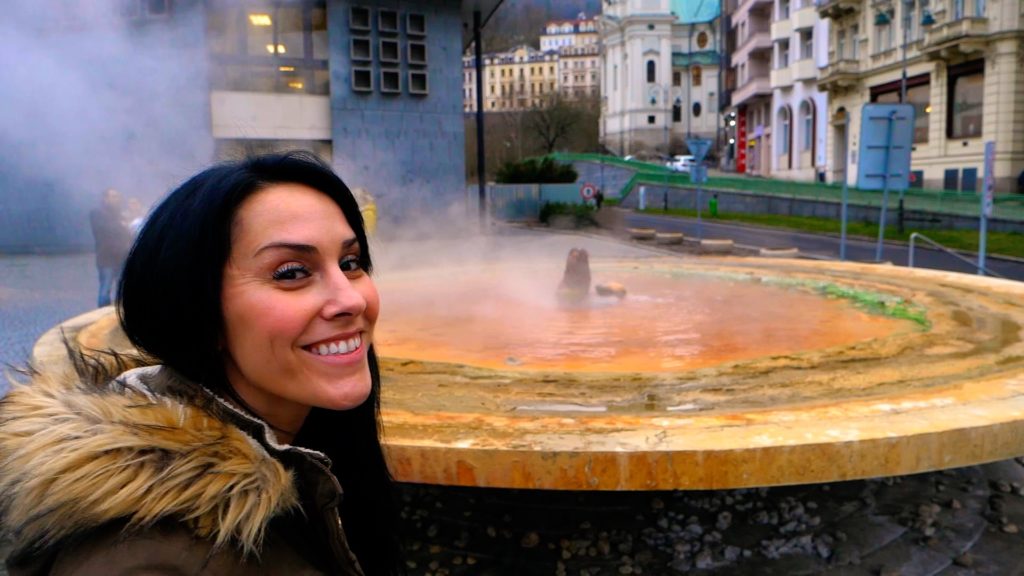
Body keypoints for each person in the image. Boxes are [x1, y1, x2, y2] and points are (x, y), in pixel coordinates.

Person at [0, 152, 400, 575]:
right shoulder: (149, 554)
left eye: (350, 263)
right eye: (291, 272)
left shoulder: (309, 457)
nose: (352, 299)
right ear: (197, 309)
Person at [88, 188, 132, 307]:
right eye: (112, 196)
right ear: (105, 199)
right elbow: (105, 229)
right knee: (105, 289)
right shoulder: (97, 213)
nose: (115, 199)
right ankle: (100, 313)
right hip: (106, 258)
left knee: (121, 287)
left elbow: (128, 233)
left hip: (121, 256)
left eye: (117, 196)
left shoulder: (120, 215)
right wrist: (121, 225)